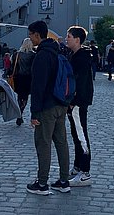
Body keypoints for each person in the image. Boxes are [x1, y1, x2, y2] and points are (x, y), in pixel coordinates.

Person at [26, 20, 70, 195]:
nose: (30, 38)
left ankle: (42, 183)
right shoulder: (57, 51)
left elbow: (38, 87)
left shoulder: (42, 55)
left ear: (37, 34)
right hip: (61, 104)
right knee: (61, 143)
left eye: (30, 35)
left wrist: (34, 112)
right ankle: (64, 181)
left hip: (47, 107)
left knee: (43, 143)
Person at [65, 26, 94, 187]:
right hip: (75, 102)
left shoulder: (81, 58)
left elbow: (80, 82)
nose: (66, 38)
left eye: (68, 36)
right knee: (76, 134)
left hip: (78, 102)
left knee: (81, 135)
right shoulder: (75, 55)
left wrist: (73, 101)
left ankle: (85, 172)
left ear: (77, 40)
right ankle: (77, 167)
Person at [10, 38, 35, 126]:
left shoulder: (17, 54)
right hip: (28, 78)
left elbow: (12, 66)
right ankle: (20, 112)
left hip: (18, 78)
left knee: (20, 96)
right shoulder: (33, 55)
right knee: (25, 97)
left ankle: (19, 113)